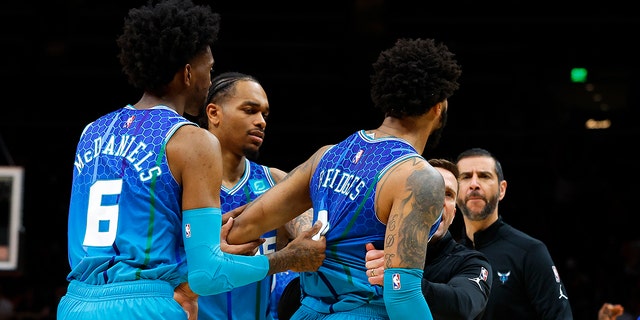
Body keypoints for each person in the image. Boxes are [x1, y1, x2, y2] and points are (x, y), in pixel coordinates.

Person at [57, 1, 325, 319]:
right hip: (147, 305)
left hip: (76, 303)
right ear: (187, 73)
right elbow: (207, 274)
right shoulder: (191, 139)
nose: (209, 81)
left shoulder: (92, 131)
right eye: (208, 70)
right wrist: (287, 259)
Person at [226, 37, 463, 319]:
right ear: (438, 106)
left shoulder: (327, 155)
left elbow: (240, 229)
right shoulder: (419, 177)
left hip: (308, 311)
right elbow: (402, 295)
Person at [196, 72, 306, 320]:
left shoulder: (277, 182)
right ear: (214, 113)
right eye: (249, 110)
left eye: (264, 115)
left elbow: (316, 234)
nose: (261, 122)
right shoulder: (182, 183)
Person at [360, 158, 493, 319]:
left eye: (448, 194)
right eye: (429, 190)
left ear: (453, 213)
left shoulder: (472, 262)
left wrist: (399, 278)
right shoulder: (373, 248)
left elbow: (463, 306)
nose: (436, 201)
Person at [455, 147, 573, 319]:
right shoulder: (449, 256)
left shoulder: (530, 252)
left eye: (484, 176)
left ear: (501, 189)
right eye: (465, 177)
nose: (474, 183)